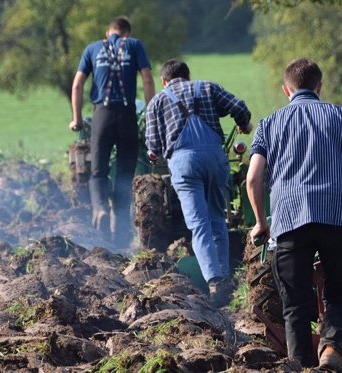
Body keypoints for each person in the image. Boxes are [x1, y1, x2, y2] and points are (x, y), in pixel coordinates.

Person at [247, 57, 342, 370]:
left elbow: (253, 178)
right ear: (320, 86)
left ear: (285, 89)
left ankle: (299, 364)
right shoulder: (338, 115)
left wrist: (262, 222)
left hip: (289, 221)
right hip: (334, 219)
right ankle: (330, 348)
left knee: (295, 304)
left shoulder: (270, 123)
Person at [145, 58, 252, 307]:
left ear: (163, 81)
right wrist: (243, 123)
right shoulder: (206, 87)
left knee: (198, 224)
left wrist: (157, 153)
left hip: (184, 164)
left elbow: (152, 147)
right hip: (215, 159)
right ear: (188, 76)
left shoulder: (158, 101)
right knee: (217, 217)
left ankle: (215, 281)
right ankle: (224, 274)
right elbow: (239, 107)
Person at [69, 16, 155, 248]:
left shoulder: (92, 49)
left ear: (109, 32)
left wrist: (76, 119)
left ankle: (100, 209)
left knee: (98, 169)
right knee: (125, 173)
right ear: (126, 33)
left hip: (102, 115)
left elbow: (77, 84)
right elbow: (147, 79)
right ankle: (120, 220)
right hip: (127, 115)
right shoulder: (135, 45)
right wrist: (151, 113)